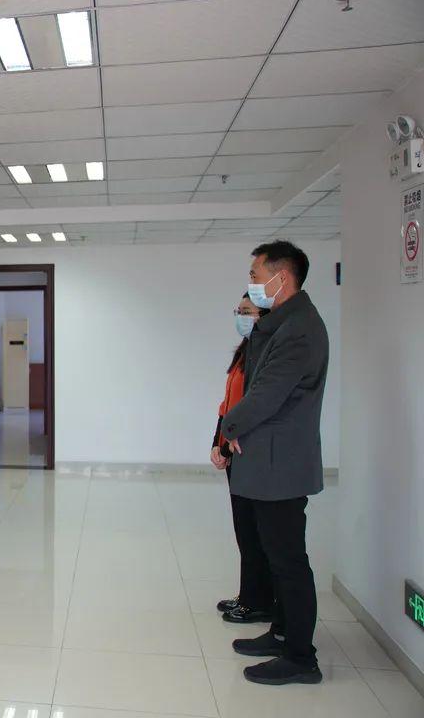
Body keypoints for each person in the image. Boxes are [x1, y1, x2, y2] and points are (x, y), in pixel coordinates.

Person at [222, 241, 329, 686]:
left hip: (280, 465)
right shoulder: (284, 323)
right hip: (269, 462)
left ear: (281, 278)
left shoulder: (299, 329)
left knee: (288, 561)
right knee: (274, 554)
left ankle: (301, 658)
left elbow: (266, 394)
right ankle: (282, 633)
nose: (252, 283)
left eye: (256, 274)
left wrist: (230, 426)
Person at [210, 294, 274, 627]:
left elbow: (254, 406)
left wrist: (228, 444)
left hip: (248, 452)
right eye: (239, 311)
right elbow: (227, 404)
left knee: (252, 532)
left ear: (264, 315)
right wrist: (217, 442)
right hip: (233, 448)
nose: (240, 316)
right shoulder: (245, 351)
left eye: (246, 311)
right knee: (244, 530)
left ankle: (257, 601)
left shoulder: (265, 355)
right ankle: (249, 595)